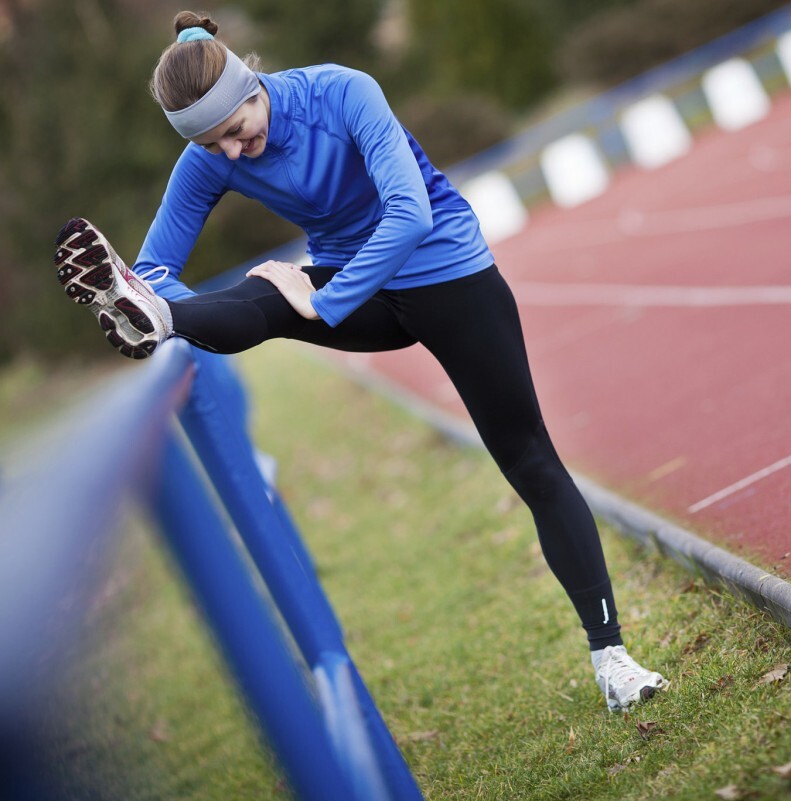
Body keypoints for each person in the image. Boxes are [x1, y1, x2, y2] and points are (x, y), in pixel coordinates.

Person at [52, 10, 666, 712]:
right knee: (262, 296)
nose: (231, 152)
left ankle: (611, 656)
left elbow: (410, 211)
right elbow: (157, 264)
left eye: (235, 129)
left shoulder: (342, 92)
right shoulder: (210, 159)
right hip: (353, 285)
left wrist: (325, 300)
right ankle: (158, 324)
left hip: (444, 274)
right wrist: (155, 293)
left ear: (252, 85)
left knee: (529, 460)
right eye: (212, 144)